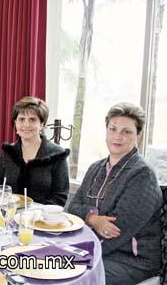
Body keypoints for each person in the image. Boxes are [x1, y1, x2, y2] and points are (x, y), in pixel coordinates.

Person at [68, 102, 162, 285]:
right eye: (113, 129)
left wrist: (78, 252)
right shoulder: (95, 168)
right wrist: (94, 218)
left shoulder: (143, 175)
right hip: (95, 247)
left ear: (138, 137)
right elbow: (72, 208)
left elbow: (116, 231)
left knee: (71, 275)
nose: (117, 136)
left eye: (126, 131)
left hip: (131, 260)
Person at [0, 96, 69, 206]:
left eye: (32, 119)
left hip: (42, 219)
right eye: (21, 119)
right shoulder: (8, 152)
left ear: (42, 124)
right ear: (15, 123)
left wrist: (36, 214)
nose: (26, 125)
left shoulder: (57, 155)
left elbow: (59, 197)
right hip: (9, 215)